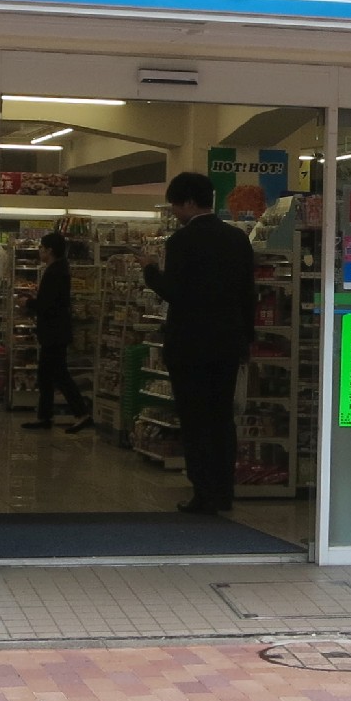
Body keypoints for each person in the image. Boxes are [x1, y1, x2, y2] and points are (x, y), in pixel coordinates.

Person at [142, 171, 256, 515]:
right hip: (227, 343)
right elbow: (248, 295)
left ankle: (203, 492)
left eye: (176, 205)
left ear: (189, 202)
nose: (174, 212)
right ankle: (223, 491)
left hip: (190, 345)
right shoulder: (237, 239)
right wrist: (245, 340)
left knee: (195, 420)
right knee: (221, 418)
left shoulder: (181, 241)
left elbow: (175, 292)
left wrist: (150, 271)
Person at [23, 232, 93, 432]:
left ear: (50, 250)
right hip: (55, 331)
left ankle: (82, 413)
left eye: (42, 248)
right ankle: (45, 416)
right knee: (45, 374)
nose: (39, 251)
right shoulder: (59, 269)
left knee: (59, 374)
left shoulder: (55, 272)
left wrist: (28, 302)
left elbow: (47, 305)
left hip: (54, 333)